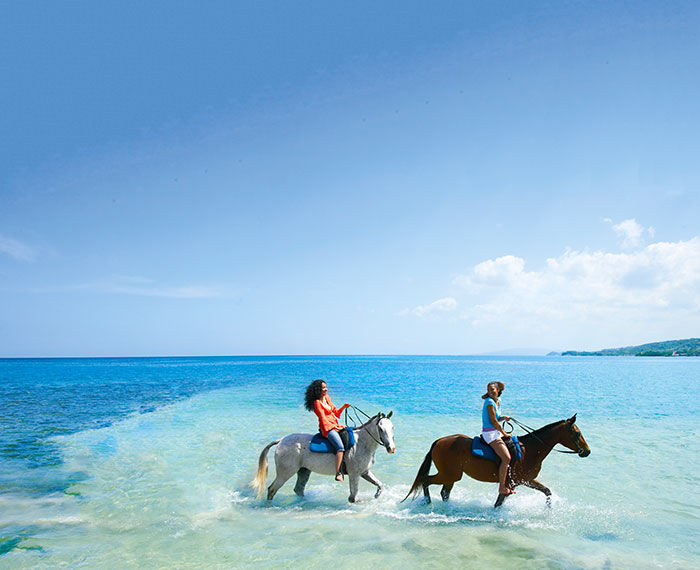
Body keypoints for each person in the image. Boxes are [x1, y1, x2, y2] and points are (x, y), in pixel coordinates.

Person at [304, 379, 350, 481]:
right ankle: (338, 473)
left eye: (326, 387)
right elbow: (322, 419)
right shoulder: (317, 403)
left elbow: (336, 413)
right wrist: (334, 427)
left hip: (335, 425)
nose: (326, 389)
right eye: (323, 388)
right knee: (340, 447)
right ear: (318, 390)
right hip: (327, 428)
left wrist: (344, 407)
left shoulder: (327, 398)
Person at [481, 381, 514, 496]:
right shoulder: (489, 402)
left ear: (498, 390)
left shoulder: (498, 401)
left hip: (495, 432)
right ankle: (501, 488)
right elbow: (493, 421)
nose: (490, 392)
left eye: (492, 389)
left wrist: (504, 417)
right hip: (490, 434)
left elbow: (497, 417)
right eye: (489, 390)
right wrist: (504, 433)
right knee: (506, 458)